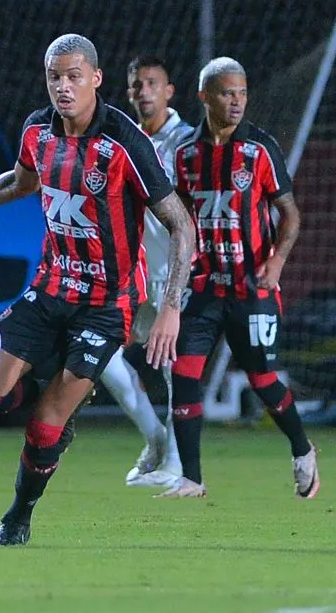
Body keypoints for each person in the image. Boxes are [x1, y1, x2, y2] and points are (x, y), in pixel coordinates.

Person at [0, 34, 195, 545]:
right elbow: (19, 184)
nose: (62, 87)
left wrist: (171, 308)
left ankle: (17, 517)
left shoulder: (124, 142)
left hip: (106, 306)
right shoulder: (37, 131)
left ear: (96, 79)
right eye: (54, 77)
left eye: (73, 77)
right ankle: (46, 382)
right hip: (48, 290)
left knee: (43, 428)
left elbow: (182, 224)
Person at [165, 56, 318, 499]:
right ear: (205, 97)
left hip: (252, 288)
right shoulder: (186, 155)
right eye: (228, 92)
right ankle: (191, 478)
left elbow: (290, 214)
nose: (237, 101)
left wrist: (277, 264)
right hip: (204, 287)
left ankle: (303, 449)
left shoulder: (259, 150)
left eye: (243, 92)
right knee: (185, 373)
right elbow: (180, 221)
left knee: (264, 381)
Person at [99, 55, 195, 489]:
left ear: (169, 91)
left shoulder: (188, 143)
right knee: (100, 353)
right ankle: (154, 437)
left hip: (174, 273)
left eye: (152, 83)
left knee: (175, 367)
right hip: (128, 273)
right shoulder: (121, 138)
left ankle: (175, 463)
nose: (143, 91)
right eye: (136, 84)